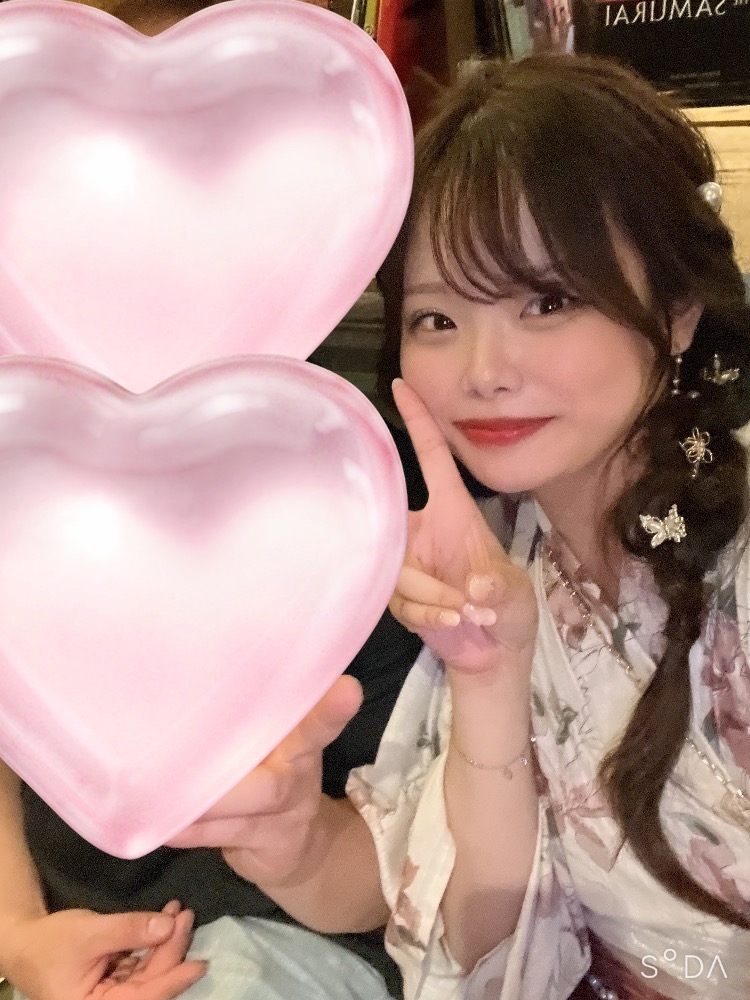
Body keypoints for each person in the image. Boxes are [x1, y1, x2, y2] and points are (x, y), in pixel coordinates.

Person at [175, 53, 750, 1000]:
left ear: (678, 311)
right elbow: (451, 908)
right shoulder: (499, 553)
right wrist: (294, 840)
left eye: (547, 301)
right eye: (437, 318)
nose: (483, 371)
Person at [0, 3, 427, 999]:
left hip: (318, 950)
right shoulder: (20, 456)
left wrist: (308, 851)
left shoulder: (373, 472)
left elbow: (442, 856)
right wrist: (20, 940)